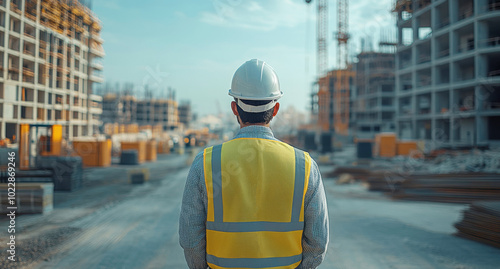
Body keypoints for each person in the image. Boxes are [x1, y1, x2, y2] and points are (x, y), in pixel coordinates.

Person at [179, 59, 329, 269]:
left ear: (234, 108)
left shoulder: (205, 163)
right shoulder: (304, 166)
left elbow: (190, 238)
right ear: (275, 109)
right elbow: (318, 242)